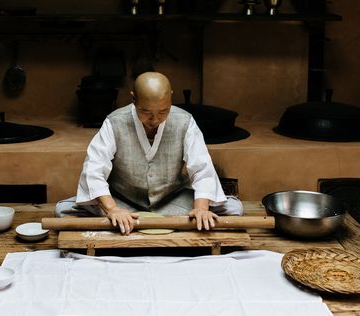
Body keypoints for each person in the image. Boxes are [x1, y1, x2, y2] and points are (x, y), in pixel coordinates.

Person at [56, 72, 242, 234]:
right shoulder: (114, 122)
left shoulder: (185, 121)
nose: (154, 119)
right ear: (133, 98)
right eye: (146, 112)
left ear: (170, 97)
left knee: (234, 207)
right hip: (123, 202)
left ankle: (145, 222)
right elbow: (93, 170)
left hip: (172, 201)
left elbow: (202, 168)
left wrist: (201, 209)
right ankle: (150, 221)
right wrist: (113, 209)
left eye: (163, 112)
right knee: (63, 210)